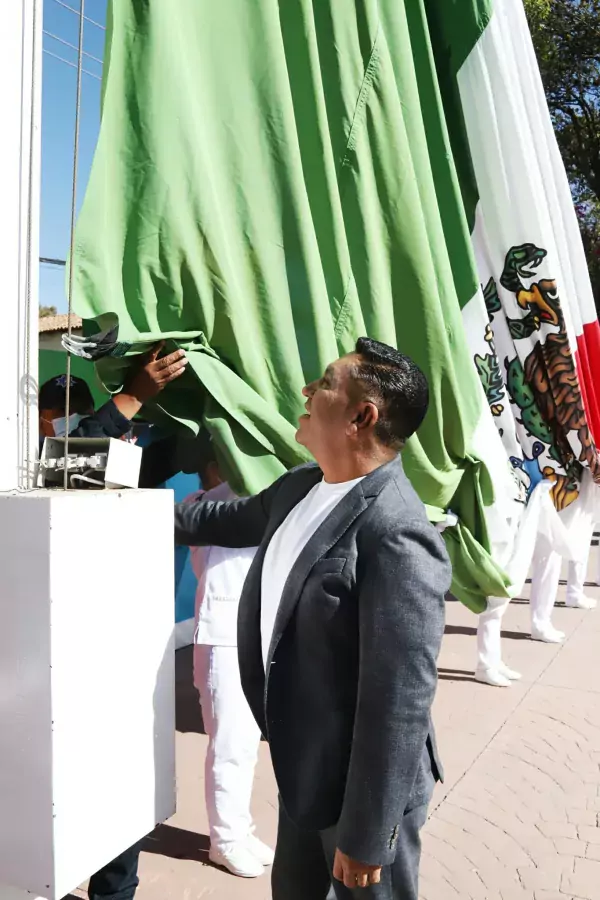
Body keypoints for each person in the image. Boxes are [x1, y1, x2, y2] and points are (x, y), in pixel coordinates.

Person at [175, 337, 452, 900]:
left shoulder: (396, 533)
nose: (307, 390)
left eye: (325, 382)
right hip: (304, 766)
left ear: (362, 416)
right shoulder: (302, 487)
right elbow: (215, 520)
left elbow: (399, 700)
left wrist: (368, 835)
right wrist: (115, 499)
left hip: (359, 790)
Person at [38, 342, 187, 900]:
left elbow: (172, 454)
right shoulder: (30, 454)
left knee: (118, 788)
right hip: (43, 652)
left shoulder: (128, 457)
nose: (73, 429)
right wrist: (130, 396)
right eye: (62, 418)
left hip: (106, 642)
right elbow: (66, 464)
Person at [183, 431, 274, 877]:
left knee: (246, 744)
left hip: (253, 636)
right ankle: (225, 839)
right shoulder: (208, 505)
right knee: (230, 745)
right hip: (222, 638)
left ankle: (240, 826)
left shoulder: (256, 497)